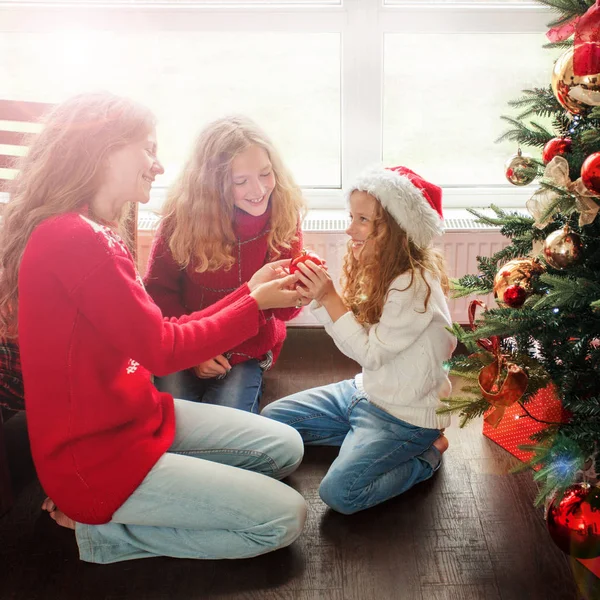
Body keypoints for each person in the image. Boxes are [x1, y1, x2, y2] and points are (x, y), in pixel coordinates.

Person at [0, 92, 307, 564]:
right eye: (147, 149)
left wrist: (251, 296)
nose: (158, 166)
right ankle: (101, 534)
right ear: (102, 151)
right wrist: (253, 301)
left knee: (285, 447)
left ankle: (166, 491)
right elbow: (162, 348)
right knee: (285, 519)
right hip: (96, 460)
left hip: (138, 418)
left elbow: (156, 329)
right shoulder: (76, 239)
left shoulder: (98, 228)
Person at [262, 165, 456, 515]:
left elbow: (370, 353)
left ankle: (425, 456)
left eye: (363, 220)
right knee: (271, 420)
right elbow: (359, 343)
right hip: (365, 393)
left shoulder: (414, 286)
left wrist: (329, 297)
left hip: (404, 418)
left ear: (398, 230)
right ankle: (360, 440)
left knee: (341, 493)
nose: (350, 228)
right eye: (351, 216)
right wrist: (321, 300)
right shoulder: (383, 269)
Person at [144, 116, 307, 414]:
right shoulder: (181, 218)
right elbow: (158, 293)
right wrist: (195, 352)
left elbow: (282, 311)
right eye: (240, 181)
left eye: (266, 174)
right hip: (187, 340)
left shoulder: (282, 213)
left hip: (246, 350)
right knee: (173, 421)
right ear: (212, 185)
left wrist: (299, 292)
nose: (258, 190)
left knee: (230, 422)